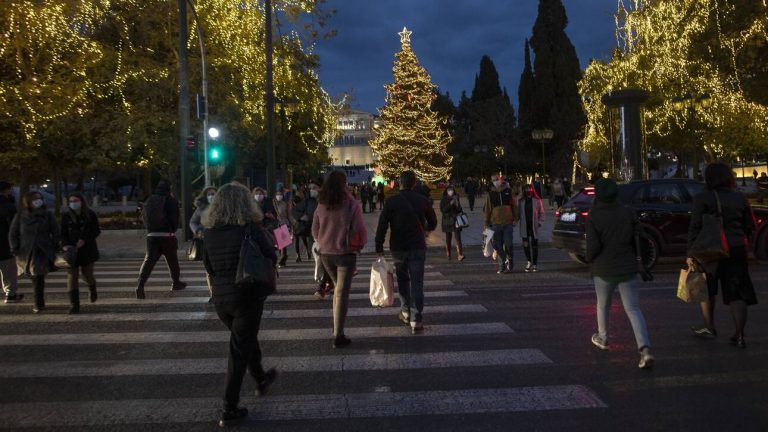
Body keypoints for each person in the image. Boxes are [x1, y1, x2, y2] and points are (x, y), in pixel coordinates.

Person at [201, 183, 278, 427]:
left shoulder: (209, 231)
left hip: (221, 299)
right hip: (247, 294)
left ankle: (260, 376)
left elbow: (208, 266)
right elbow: (271, 254)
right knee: (238, 350)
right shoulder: (250, 228)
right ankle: (229, 407)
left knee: (243, 339)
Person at [585, 178, 654, 369]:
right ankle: (645, 349)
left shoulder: (594, 216)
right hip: (627, 267)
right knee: (633, 309)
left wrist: (588, 258)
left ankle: (603, 337)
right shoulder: (627, 212)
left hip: (603, 269)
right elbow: (639, 238)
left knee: (603, 305)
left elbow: (593, 248)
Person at [688, 162, 756, 348]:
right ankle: (740, 334)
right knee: (737, 292)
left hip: (709, 249)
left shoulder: (702, 198)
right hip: (736, 249)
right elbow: (750, 225)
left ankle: (709, 325)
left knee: (706, 287)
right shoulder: (741, 197)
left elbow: (695, 227)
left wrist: (690, 252)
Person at [375, 170, 437, 334]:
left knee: (403, 280)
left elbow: (382, 225)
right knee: (417, 283)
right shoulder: (422, 200)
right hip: (417, 246)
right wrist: (425, 230)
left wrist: (379, 246)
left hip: (399, 247)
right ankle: (416, 319)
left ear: (399, 183)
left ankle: (405, 311)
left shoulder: (391, 202)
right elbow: (433, 222)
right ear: (414, 183)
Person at [312, 171, 367, 348]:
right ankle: (338, 334)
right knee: (342, 292)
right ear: (344, 183)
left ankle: (337, 331)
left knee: (338, 289)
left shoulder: (321, 204)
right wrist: (360, 245)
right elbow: (359, 228)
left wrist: (321, 241)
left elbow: (314, 228)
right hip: (345, 252)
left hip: (326, 253)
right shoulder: (351, 204)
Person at [9, 191, 60, 313]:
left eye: (40, 198)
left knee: (38, 277)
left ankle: (38, 303)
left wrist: (55, 245)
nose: (38, 201)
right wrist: (14, 248)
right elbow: (13, 233)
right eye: (35, 199)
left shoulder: (47, 215)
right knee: (34, 277)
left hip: (43, 250)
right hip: (26, 251)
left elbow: (56, 231)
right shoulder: (21, 215)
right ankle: (39, 301)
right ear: (28, 202)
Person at [136, 181, 187, 299]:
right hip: (167, 236)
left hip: (152, 236)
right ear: (169, 189)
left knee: (149, 261)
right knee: (172, 261)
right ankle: (176, 283)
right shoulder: (171, 200)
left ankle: (140, 285)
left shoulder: (150, 199)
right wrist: (172, 229)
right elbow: (175, 218)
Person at [60, 192, 101, 314]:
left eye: (76, 201)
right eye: (71, 201)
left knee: (88, 275)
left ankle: (92, 288)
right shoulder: (66, 216)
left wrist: (85, 240)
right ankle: (74, 305)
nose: (74, 203)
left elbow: (96, 231)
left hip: (87, 250)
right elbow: (62, 233)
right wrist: (65, 245)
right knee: (72, 277)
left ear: (82, 202)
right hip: (71, 251)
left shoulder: (90, 215)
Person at [483, 174, 517, 274]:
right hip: (495, 223)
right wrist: (486, 223)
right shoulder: (491, 194)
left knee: (508, 244)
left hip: (507, 223)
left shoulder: (508, 191)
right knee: (497, 245)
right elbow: (487, 209)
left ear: (501, 180)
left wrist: (515, 218)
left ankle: (510, 258)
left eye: (497, 179)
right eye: (493, 180)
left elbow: (514, 205)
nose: (496, 181)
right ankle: (502, 264)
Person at [190, 186, 217, 300]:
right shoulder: (201, 208)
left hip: (221, 240)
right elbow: (193, 222)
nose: (211, 196)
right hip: (206, 241)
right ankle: (213, 293)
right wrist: (198, 231)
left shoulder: (223, 206)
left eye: (213, 194)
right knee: (209, 267)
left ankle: (220, 291)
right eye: (209, 194)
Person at [0, 182, 22, 304]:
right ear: (6, 191)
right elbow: (13, 228)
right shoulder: (8, 206)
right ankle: (10, 294)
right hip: (4, 244)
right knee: (9, 271)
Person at [518, 184, 545, 272]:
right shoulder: (521, 201)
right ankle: (529, 261)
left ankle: (535, 263)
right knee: (526, 244)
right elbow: (517, 213)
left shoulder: (537, 200)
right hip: (524, 226)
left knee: (534, 245)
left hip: (534, 225)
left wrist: (540, 222)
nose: (528, 190)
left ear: (532, 190)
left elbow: (542, 212)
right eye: (526, 189)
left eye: (529, 188)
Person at [291, 182, 318, 262]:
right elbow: (294, 210)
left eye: (315, 189)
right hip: (307, 226)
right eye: (312, 189)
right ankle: (302, 254)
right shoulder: (306, 201)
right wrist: (302, 216)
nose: (313, 191)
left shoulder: (321, 201)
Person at [439, 185, 465, 261]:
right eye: (449, 190)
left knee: (458, 238)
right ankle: (448, 254)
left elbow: (459, 209)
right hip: (447, 220)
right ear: (446, 191)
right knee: (448, 237)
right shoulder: (444, 199)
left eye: (452, 190)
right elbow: (443, 210)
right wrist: (450, 203)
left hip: (456, 220)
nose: (451, 191)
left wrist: (457, 203)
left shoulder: (456, 197)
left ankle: (460, 254)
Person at [273, 189, 290, 268]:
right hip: (275, 224)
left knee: (283, 244)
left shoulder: (285, 204)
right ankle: (283, 258)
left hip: (283, 224)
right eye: (277, 194)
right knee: (278, 245)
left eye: (280, 194)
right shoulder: (273, 204)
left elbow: (288, 214)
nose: (279, 196)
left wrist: (290, 223)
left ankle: (282, 259)